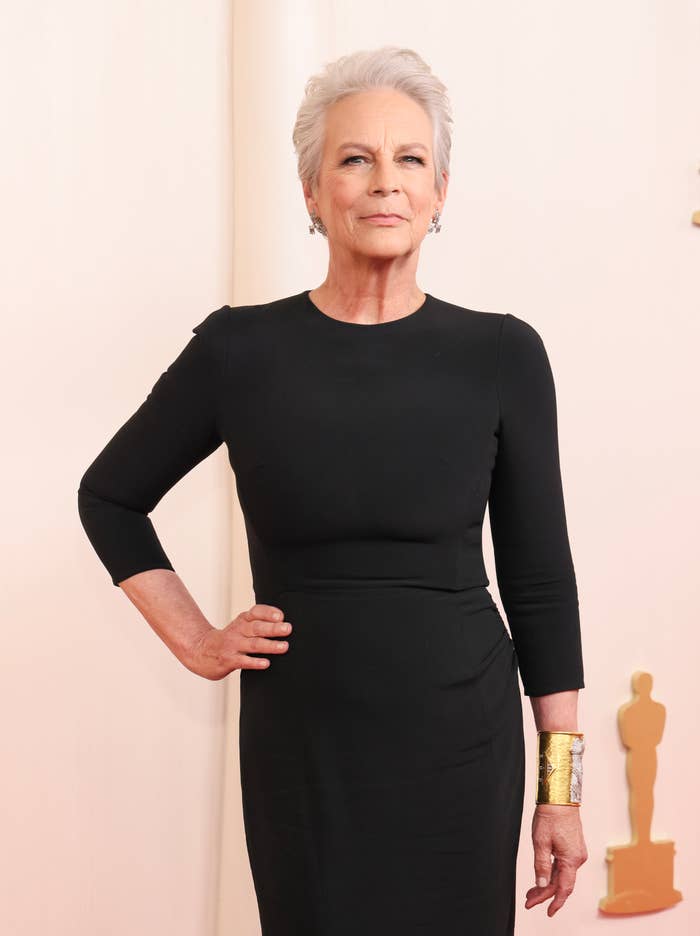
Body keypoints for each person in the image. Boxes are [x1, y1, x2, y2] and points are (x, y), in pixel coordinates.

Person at [78, 45, 588, 936]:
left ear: (439, 191)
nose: (386, 181)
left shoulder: (503, 354)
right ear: (313, 193)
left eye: (410, 159)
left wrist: (561, 791)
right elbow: (110, 497)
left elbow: (541, 584)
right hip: (303, 747)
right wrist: (195, 638)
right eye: (355, 158)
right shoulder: (239, 351)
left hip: (462, 746)